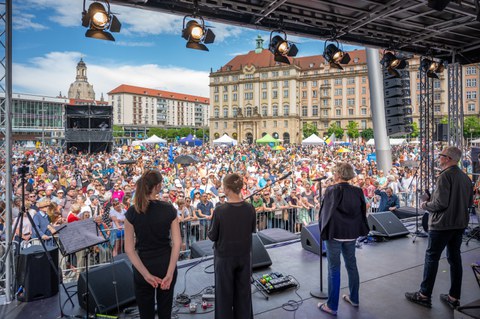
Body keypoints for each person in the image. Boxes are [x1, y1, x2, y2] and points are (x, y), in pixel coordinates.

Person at [406, 146, 473, 309]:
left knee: (432, 258)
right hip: (459, 224)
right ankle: (454, 297)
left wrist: (425, 204)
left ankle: (424, 295)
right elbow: (469, 203)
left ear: (448, 158)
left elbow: (440, 203)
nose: (438, 157)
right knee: (455, 259)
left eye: (441, 155)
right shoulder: (465, 178)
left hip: (442, 225)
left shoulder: (444, 176)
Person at [124, 170, 181, 319]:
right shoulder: (169, 209)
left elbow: (129, 249)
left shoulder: (132, 211)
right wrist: (169, 273)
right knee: (165, 313)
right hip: (165, 264)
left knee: (146, 314)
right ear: (158, 186)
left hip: (143, 266)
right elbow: (177, 243)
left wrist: (146, 275)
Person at [318, 162, 370, 316]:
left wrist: (323, 231)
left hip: (335, 234)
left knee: (334, 269)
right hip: (351, 234)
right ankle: (354, 298)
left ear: (339, 174)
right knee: (351, 265)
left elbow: (325, 213)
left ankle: (331, 306)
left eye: (335, 172)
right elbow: (362, 210)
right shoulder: (358, 191)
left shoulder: (332, 190)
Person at [208, 173, 256, 319]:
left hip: (224, 258)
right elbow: (251, 229)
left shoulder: (220, 211)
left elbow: (212, 236)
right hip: (244, 256)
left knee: (224, 297)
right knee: (243, 294)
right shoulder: (250, 208)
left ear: (227, 189)